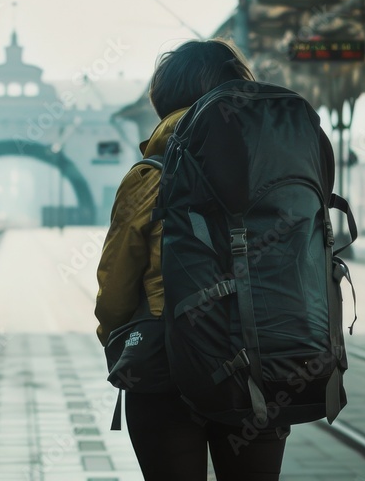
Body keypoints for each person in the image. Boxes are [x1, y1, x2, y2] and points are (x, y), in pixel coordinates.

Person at [95, 38, 288, 480]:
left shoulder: (151, 172)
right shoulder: (275, 159)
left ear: (164, 98)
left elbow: (116, 290)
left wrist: (118, 340)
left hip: (171, 365)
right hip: (266, 360)